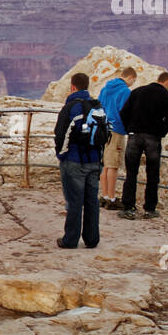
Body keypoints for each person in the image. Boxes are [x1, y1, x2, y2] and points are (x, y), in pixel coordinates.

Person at [54, 73, 104, 249]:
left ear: (73, 87)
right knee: (92, 201)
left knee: (75, 201)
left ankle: (70, 240)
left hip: (74, 161)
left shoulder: (71, 108)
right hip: (95, 161)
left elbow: (61, 134)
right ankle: (92, 239)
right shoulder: (96, 106)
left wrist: (62, 155)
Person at [119, 71, 168, 220]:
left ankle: (128, 208)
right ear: (167, 82)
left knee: (131, 173)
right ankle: (149, 209)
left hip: (134, 136)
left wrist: (129, 129)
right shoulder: (167, 97)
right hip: (153, 138)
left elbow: (124, 112)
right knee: (152, 175)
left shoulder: (137, 92)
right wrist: (161, 133)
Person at [97, 67, 136, 210]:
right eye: (133, 80)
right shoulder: (125, 91)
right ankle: (112, 198)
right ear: (131, 77)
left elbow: (98, 106)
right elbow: (125, 111)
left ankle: (105, 195)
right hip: (117, 130)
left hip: (104, 129)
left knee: (106, 164)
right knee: (113, 165)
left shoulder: (106, 88)